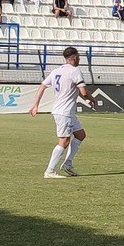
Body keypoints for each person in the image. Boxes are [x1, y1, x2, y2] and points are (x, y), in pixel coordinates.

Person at [30, 47, 100, 178]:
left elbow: (42, 86)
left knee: (80, 135)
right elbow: (83, 92)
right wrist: (92, 99)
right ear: (74, 57)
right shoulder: (75, 71)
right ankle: (50, 171)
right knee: (64, 141)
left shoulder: (56, 71)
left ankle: (67, 164)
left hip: (64, 111)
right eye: (78, 56)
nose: (79, 58)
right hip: (64, 112)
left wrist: (35, 105)